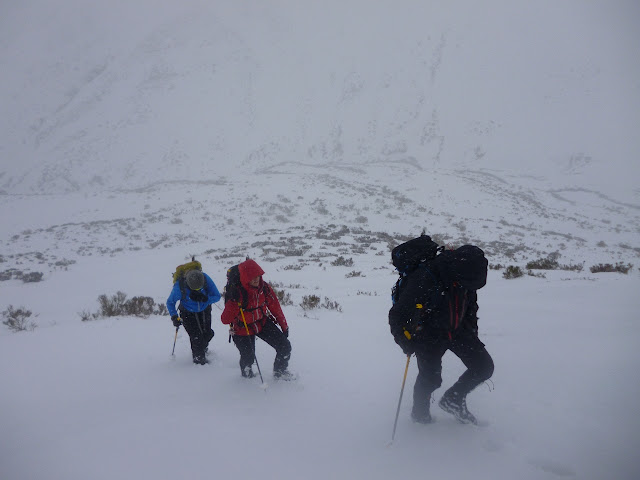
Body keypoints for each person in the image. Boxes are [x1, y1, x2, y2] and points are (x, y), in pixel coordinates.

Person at [389, 244, 494, 424]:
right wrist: (405, 342)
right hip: (429, 335)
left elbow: (470, 307)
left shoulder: (468, 276)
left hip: (458, 330)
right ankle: (420, 416)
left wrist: (472, 331)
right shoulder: (427, 277)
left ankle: (453, 399)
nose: (469, 288)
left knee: (483, 367)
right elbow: (397, 314)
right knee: (430, 379)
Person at [221, 259, 292, 379]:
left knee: (285, 347)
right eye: (252, 277)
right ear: (244, 277)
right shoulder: (236, 292)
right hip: (242, 327)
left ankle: (280, 373)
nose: (256, 279)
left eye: (258, 276)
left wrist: (284, 325)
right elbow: (225, 319)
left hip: (261, 322)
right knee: (248, 356)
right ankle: (247, 377)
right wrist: (233, 302)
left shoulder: (264, 288)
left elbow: (275, 307)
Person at [167, 268, 221, 364]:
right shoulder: (179, 287)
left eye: (199, 288)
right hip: (187, 313)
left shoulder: (206, 279)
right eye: (194, 288)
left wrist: (205, 299)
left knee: (208, 333)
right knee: (196, 337)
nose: (198, 290)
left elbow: (217, 296)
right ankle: (199, 361)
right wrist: (174, 317)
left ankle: (202, 348)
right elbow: (170, 302)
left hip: (205, 310)